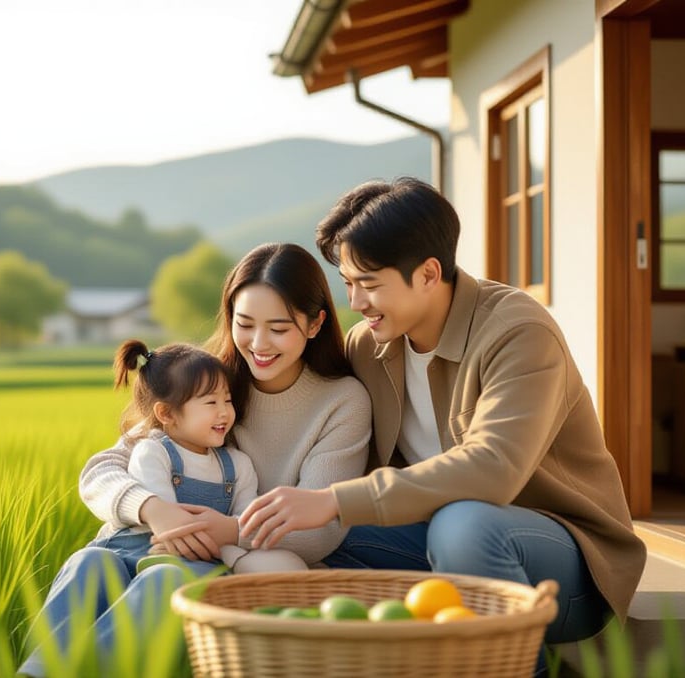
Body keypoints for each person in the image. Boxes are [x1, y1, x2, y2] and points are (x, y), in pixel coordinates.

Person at [238, 178, 647, 647]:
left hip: (566, 569)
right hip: (435, 549)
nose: (355, 303)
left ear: (429, 274)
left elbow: (492, 470)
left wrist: (333, 499)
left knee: (463, 523)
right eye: (348, 284)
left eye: (369, 285)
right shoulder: (368, 347)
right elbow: (293, 391)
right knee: (319, 536)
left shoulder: (518, 332)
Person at [18, 242, 372, 677]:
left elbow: (322, 527)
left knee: (163, 581)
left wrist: (227, 529)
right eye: (244, 324)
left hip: (230, 559)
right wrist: (156, 510)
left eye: (278, 329)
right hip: (144, 536)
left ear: (315, 323)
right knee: (89, 563)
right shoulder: (207, 378)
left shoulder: (341, 402)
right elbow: (101, 470)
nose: (258, 344)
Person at [95, 338, 307, 576]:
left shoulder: (238, 465)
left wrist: (239, 560)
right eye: (210, 402)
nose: (224, 412)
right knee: (91, 562)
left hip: (192, 561)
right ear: (166, 413)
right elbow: (170, 532)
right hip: (143, 550)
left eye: (227, 400)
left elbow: (245, 521)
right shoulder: (152, 452)